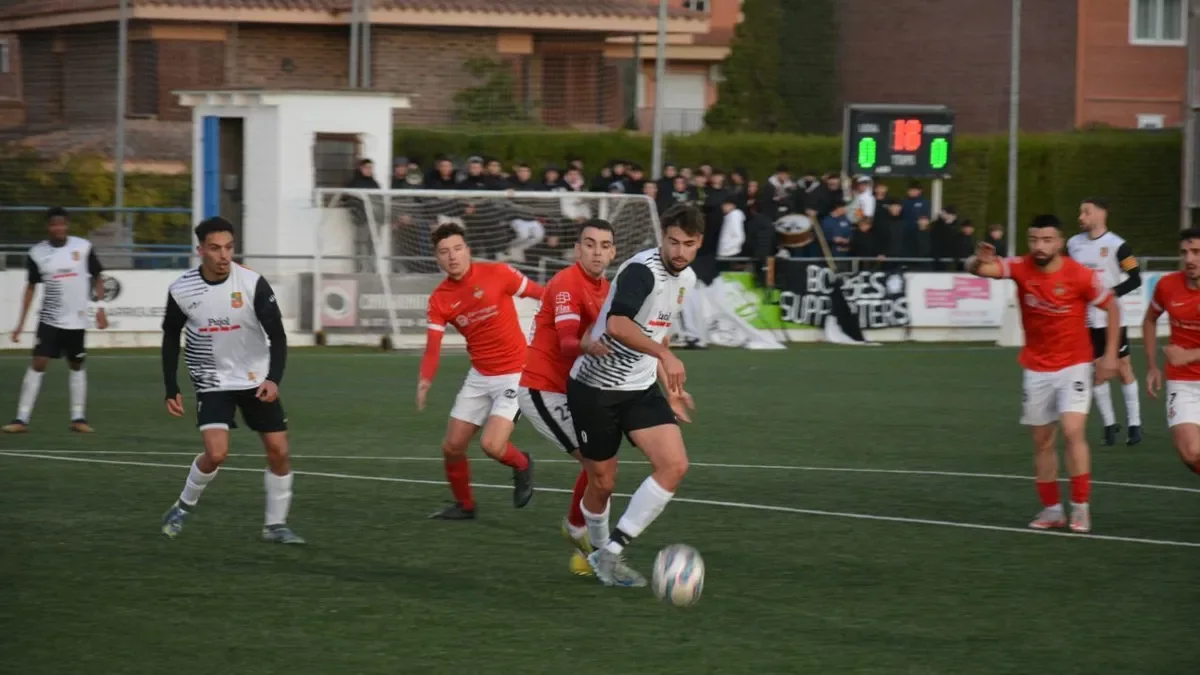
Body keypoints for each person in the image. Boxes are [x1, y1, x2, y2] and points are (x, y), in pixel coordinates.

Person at [567, 204, 702, 587]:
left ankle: (609, 553)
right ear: (662, 238)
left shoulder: (687, 279)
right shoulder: (643, 271)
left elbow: (658, 332)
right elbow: (618, 324)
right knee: (603, 484)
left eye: (687, 244)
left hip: (640, 387)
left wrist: (670, 387)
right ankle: (594, 547)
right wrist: (665, 355)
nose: (678, 251)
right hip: (596, 389)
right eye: (672, 241)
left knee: (674, 465)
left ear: (699, 245)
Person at [966, 214, 1119, 534]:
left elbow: (1112, 307)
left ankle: (1080, 507)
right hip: (1036, 367)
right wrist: (976, 261)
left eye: (1047, 240)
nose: (1039, 246)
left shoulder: (1078, 275)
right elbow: (983, 269)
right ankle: (1052, 510)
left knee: (1072, 430)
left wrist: (1109, 356)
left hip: (1075, 363)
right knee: (1041, 441)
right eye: (1034, 239)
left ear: (1060, 242)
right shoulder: (1021, 267)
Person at [159, 217, 303, 544]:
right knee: (217, 453)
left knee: (279, 451)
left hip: (255, 379)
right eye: (215, 248)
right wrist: (171, 386)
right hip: (211, 378)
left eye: (229, 247)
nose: (224, 255)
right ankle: (183, 506)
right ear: (200, 251)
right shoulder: (182, 290)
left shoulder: (252, 283)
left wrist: (273, 379)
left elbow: (278, 336)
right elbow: (170, 337)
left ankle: (275, 526)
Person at [418, 222, 544, 520]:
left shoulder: (498, 273)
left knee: (492, 445)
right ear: (437, 258)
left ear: (468, 250)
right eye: (444, 252)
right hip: (479, 377)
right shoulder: (439, 299)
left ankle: (523, 464)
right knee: (452, 447)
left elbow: (542, 293)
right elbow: (433, 346)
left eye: (458, 249)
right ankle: (465, 506)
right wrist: (425, 379)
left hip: (516, 373)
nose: (452, 257)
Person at [517, 219, 617, 577]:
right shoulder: (565, 284)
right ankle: (584, 539)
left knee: (605, 466)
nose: (596, 251)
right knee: (598, 468)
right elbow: (567, 343)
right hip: (543, 389)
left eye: (604, 245)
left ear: (613, 252)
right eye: (589, 244)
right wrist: (590, 346)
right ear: (577, 250)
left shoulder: (607, 289)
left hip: (576, 389)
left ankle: (578, 532)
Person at [4, 207, 109, 434]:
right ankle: (21, 419)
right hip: (50, 318)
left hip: (77, 320)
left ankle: (78, 417)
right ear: (48, 227)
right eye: (54, 224)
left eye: (62, 224)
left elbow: (98, 277)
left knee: (76, 364)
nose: (58, 228)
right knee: (39, 362)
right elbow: (31, 287)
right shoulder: (37, 253)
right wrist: (20, 324)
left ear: (67, 225)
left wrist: (100, 308)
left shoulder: (83, 247)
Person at [1068, 197, 1142, 446]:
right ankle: (1110, 426)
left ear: (1101, 214)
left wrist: (1110, 295)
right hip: (1084, 321)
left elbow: (1135, 278)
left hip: (1111, 319)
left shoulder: (1118, 245)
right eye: (1080, 212)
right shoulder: (1072, 245)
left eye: (1086, 212)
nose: (1081, 217)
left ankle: (1135, 424)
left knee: (1123, 368)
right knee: (1095, 373)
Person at [1143, 228, 1200, 478]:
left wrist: (1189, 355)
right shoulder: (1167, 286)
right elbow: (1150, 319)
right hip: (1182, 381)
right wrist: (1152, 365)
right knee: (1190, 452)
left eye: (1196, 252)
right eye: (1184, 253)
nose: (1189, 259)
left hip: (1187, 363)